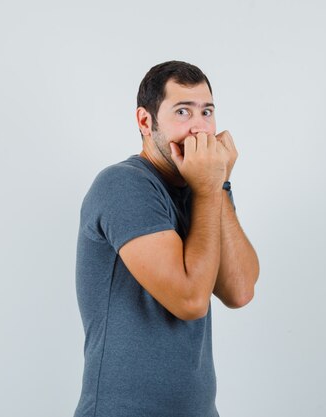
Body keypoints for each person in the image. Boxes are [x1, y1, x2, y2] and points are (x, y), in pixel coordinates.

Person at [74, 61, 260, 417]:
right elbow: (190, 300)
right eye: (182, 112)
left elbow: (240, 290)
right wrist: (208, 190)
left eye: (207, 112)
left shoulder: (201, 187)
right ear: (146, 122)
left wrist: (218, 184)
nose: (199, 128)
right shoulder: (123, 185)